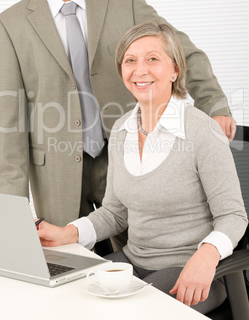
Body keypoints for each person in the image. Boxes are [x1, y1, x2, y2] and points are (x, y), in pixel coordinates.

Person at [0, 0, 236, 231]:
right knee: (70, 265)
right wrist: (11, 216)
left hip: (132, 155)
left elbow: (183, 52)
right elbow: (10, 122)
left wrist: (214, 104)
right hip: (56, 172)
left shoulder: (125, 0)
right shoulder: (10, 25)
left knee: (141, 262)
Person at [36, 21, 247, 314]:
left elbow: (233, 216)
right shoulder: (121, 130)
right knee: (65, 299)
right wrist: (68, 232)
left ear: (175, 69)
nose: (140, 70)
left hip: (190, 273)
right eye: (130, 61)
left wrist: (207, 255)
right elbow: (114, 213)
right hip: (132, 263)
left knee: (128, 313)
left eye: (153, 59)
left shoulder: (202, 132)